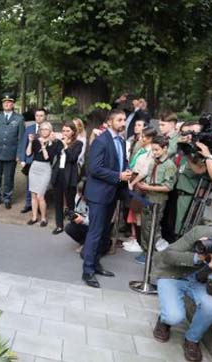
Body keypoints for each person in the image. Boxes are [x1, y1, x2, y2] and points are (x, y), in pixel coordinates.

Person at [151, 225, 212, 362]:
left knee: (211, 307)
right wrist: (198, 256)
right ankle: (164, 319)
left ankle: (192, 339)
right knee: (173, 316)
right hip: (174, 276)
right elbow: (168, 255)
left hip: (203, 284)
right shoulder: (202, 232)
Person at [82, 109, 131, 288]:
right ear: (109, 122)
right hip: (99, 194)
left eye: (124, 119)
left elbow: (121, 161)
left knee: (103, 232)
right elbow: (94, 168)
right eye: (119, 120)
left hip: (112, 193)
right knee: (95, 233)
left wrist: (126, 171)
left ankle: (95, 264)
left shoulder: (121, 140)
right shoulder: (101, 141)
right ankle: (87, 270)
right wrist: (118, 175)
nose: (123, 122)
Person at [134, 136, 178, 264]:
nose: (154, 152)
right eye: (153, 150)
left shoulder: (169, 165)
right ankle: (145, 250)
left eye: (157, 150)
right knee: (145, 225)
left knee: (153, 226)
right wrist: (141, 184)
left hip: (158, 200)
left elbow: (168, 187)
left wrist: (148, 187)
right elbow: (147, 174)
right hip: (147, 197)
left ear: (165, 149)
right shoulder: (154, 161)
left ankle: (150, 253)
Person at [0, 93, 25, 209]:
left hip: (11, 153)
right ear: (2, 104)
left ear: (13, 104)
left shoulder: (19, 119)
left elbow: (21, 138)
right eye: (5, 102)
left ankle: (7, 198)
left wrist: (19, 154)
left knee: (9, 177)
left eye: (9, 102)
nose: (7, 104)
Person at [123, 127, 158, 253]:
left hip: (139, 182)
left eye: (144, 137)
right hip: (135, 178)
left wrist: (133, 182)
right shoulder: (143, 150)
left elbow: (144, 171)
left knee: (139, 214)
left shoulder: (151, 152)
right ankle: (137, 240)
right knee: (135, 213)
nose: (141, 139)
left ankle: (140, 242)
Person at [25, 121, 62, 227]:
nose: (44, 131)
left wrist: (44, 146)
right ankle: (34, 217)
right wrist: (31, 142)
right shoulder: (36, 141)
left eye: (46, 129)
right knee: (33, 195)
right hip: (34, 168)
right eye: (42, 129)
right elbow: (28, 153)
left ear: (50, 131)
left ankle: (44, 218)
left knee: (40, 195)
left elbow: (47, 158)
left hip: (45, 169)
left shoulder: (54, 142)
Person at [174, 122, 207, 237]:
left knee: (186, 231)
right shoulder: (184, 150)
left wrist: (189, 155)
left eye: (194, 133)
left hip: (191, 196)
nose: (190, 135)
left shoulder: (201, 153)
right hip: (178, 194)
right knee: (176, 228)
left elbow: (199, 170)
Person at [52, 120, 84, 234]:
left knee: (70, 202)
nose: (65, 133)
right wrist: (54, 142)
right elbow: (53, 154)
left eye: (67, 131)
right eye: (63, 130)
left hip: (69, 175)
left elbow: (72, 158)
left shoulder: (78, 143)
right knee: (58, 201)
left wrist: (65, 145)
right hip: (58, 173)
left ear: (73, 132)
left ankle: (72, 225)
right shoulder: (59, 142)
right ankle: (59, 225)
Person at [19, 108, 48, 214]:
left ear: (45, 117)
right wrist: (23, 159)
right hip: (30, 160)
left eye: (41, 115)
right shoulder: (29, 128)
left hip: (43, 161)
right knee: (29, 184)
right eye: (37, 115)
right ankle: (28, 204)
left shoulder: (48, 129)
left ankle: (40, 205)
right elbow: (23, 144)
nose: (39, 117)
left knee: (41, 185)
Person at [64, 180, 89, 251]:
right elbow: (77, 209)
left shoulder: (93, 200)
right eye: (79, 193)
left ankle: (88, 243)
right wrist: (74, 216)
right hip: (83, 221)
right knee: (69, 228)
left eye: (82, 194)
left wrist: (83, 220)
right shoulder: (78, 196)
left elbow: (94, 219)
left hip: (91, 224)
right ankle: (83, 242)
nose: (80, 196)